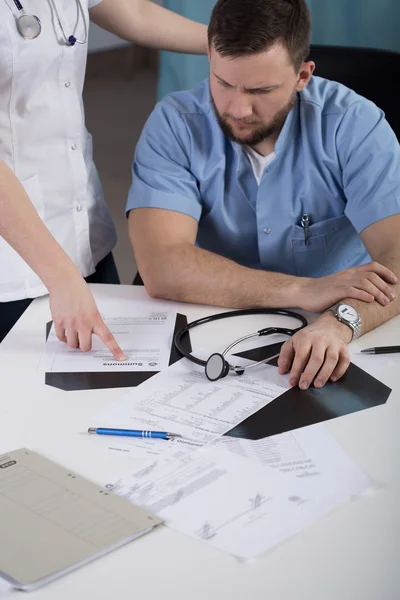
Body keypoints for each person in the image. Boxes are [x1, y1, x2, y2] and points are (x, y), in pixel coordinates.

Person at [127, 0, 400, 389]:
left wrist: (341, 323)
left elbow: (398, 258)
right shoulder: (174, 123)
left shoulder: (355, 125)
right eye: (223, 83)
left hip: (328, 329)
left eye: (261, 90)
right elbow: (162, 266)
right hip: (210, 329)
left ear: (303, 75)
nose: (238, 108)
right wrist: (305, 289)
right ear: (209, 56)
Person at [0, 0, 208, 354]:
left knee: (113, 390)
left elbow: (134, 13)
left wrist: (229, 43)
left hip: (82, 232)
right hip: (13, 261)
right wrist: (62, 278)